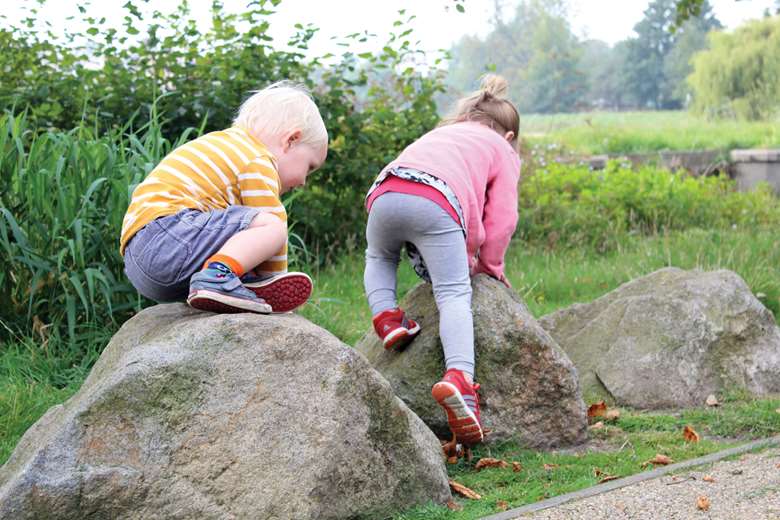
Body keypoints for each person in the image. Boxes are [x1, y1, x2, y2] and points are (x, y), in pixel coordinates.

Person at [363, 75, 521, 444]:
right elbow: (502, 218)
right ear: (509, 136)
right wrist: (490, 266)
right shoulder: (502, 149)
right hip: (436, 201)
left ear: (466, 118)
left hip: (385, 191)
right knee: (453, 294)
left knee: (380, 255)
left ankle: (387, 315)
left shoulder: (440, 135)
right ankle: (461, 379)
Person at [120, 82, 328, 314]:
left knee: (243, 236)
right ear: (291, 140)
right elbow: (272, 221)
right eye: (309, 167)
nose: (303, 182)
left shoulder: (228, 146)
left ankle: (224, 283)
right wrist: (274, 282)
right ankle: (219, 276)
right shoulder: (257, 158)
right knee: (272, 226)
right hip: (169, 237)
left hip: (140, 260)